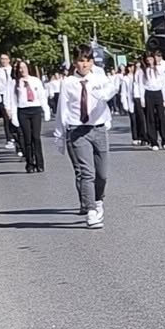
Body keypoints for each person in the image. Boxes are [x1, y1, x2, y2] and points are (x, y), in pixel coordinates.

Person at [48, 49, 115, 227]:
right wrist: (60, 134)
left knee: (102, 174)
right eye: (80, 61)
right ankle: (91, 210)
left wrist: (105, 94)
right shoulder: (68, 82)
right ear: (75, 63)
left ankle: (98, 200)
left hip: (98, 129)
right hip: (78, 130)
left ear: (92, 62)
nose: (84, 64)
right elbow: (63, 108)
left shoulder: (99, 78)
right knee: (87, 173)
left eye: (87, 61)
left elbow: (111, 89)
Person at [10, 60, 47, 173]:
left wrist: (45, 109)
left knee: (36, 137)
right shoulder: (15, 83)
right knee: (27, 138)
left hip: (35, 109)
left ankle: (40, 163)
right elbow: (13, 101)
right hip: (23, 111)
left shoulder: (35, 81)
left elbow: (42, 96)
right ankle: (30, 163)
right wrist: (14, 116)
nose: (22, 70)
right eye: (20, 68)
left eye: (24, 67)